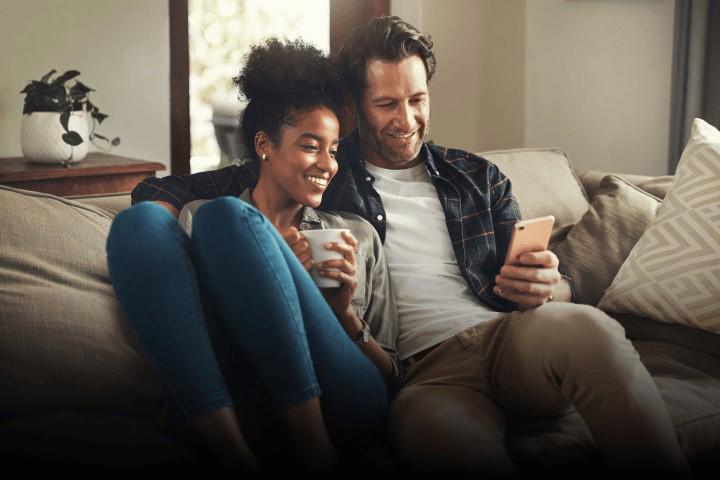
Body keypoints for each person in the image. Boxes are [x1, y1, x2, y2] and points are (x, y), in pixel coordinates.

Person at [131, 18, 689, 474]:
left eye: (417, 100)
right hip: (423, 379)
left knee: (587, 328)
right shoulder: (319, 164)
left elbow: (544, 277)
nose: (407, 120)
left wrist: (554, 283)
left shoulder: (477, 176)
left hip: (512, 338)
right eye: (386, 105)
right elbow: (166, 189)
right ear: (355, 106)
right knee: (440, 442)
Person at [107, 38, 402, 473]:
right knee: (141, 224)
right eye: (309, 145)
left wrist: (341, 314)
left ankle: (315, 454)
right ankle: (234, 457)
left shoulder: (356, 235)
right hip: (240, 399)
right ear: (265, 145)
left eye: (334, 148)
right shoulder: (198, 221)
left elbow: (394, 379)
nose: (328, 163)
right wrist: (264, 266)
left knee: (229, 217)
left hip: (343, 401)